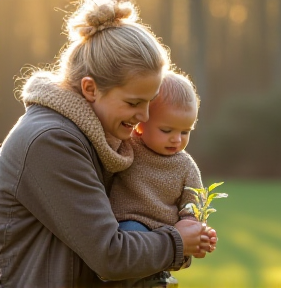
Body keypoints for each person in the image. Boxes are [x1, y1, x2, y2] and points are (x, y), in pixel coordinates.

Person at [0, 0, 217, 287]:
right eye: (133, 103)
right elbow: (110, 255)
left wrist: (185, 231)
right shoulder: (51, 141)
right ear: (90, 88)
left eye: (149, 102)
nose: (144, 116)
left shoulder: (102, 137)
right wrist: (176, 242)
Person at [108, 70, 215, 286]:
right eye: (166, 130)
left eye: (185, 132)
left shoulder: (186, 165)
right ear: (140, 123)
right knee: (132, 238)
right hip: (128, 226)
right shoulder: (128, 147)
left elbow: (192, 203)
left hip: (168, 235)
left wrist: (196, 230)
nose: (176, 139)